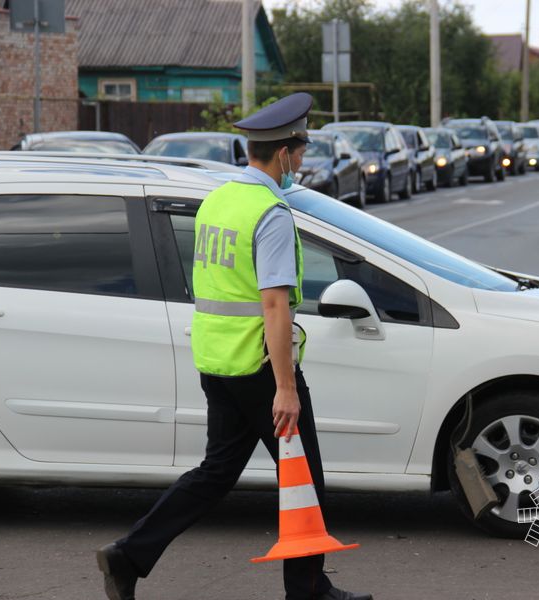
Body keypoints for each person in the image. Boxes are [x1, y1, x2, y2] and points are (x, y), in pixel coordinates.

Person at [95, 93, 372, 600]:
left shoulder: (219, 199)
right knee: (303, 480)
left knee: (217, 472)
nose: (303, 161)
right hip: (260, 367)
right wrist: (285, 387)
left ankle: (129, 555)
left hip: (217, 360)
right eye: (302, 150)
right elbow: (273, 306)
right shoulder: (269, 213)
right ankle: (308, 590)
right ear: (285, 152)